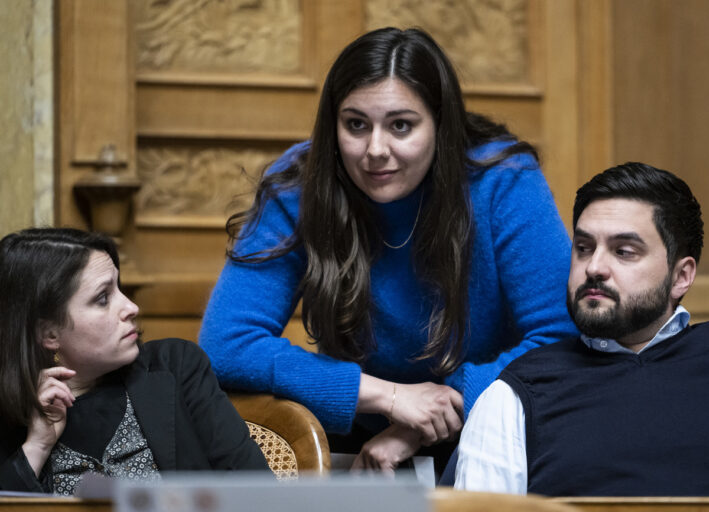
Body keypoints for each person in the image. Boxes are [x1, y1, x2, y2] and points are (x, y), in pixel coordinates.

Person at [199, 27, 577, 472]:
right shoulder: (301, 184)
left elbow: (560, 338)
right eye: (356, 125)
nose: (375, 150)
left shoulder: (503, 178)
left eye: (401, 125)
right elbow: (226, 343)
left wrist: (420, 422)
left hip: (492, 423)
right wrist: (389, 397)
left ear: (440, 123)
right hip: (354, 435)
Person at [454, 162, 709, 496]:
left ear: (681, 276)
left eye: (624, 252)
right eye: (584, 248)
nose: (594, 267)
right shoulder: (512, 396)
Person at [0, 228, 269, 495]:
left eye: (120, 288)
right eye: (103, 298)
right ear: (49, 334)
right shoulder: (15, 417)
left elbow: (260, 493)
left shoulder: (177, 367)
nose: (131, 307)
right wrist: (36, 448)